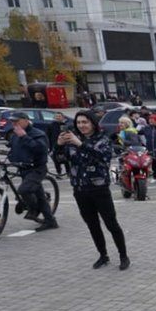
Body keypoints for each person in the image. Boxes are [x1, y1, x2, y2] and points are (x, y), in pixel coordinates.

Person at [57, 110, 129, 270]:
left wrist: (80, 144)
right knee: (92, 225)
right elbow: (61, 159)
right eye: (79, 123)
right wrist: (59, 146)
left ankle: (123, 256)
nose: (81, 125)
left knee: (111, 223)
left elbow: (103, 157)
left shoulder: (102, 139)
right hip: (80, 189)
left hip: (99, 189)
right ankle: (103, 255)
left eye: (85, 122)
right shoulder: (73, 139)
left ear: (93, 123)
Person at [8, 111, 58, 231]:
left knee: (24, 190)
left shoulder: (38, 134)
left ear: (26, 120)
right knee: (40, 196)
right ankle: (50, 221)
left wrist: (24, 137)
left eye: (17, 121)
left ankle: (34, 209)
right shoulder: (15, 135)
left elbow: (40, 149)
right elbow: (13, 149)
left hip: (37, 168)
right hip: (23, 169)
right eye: (12, 122)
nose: (14, 124)